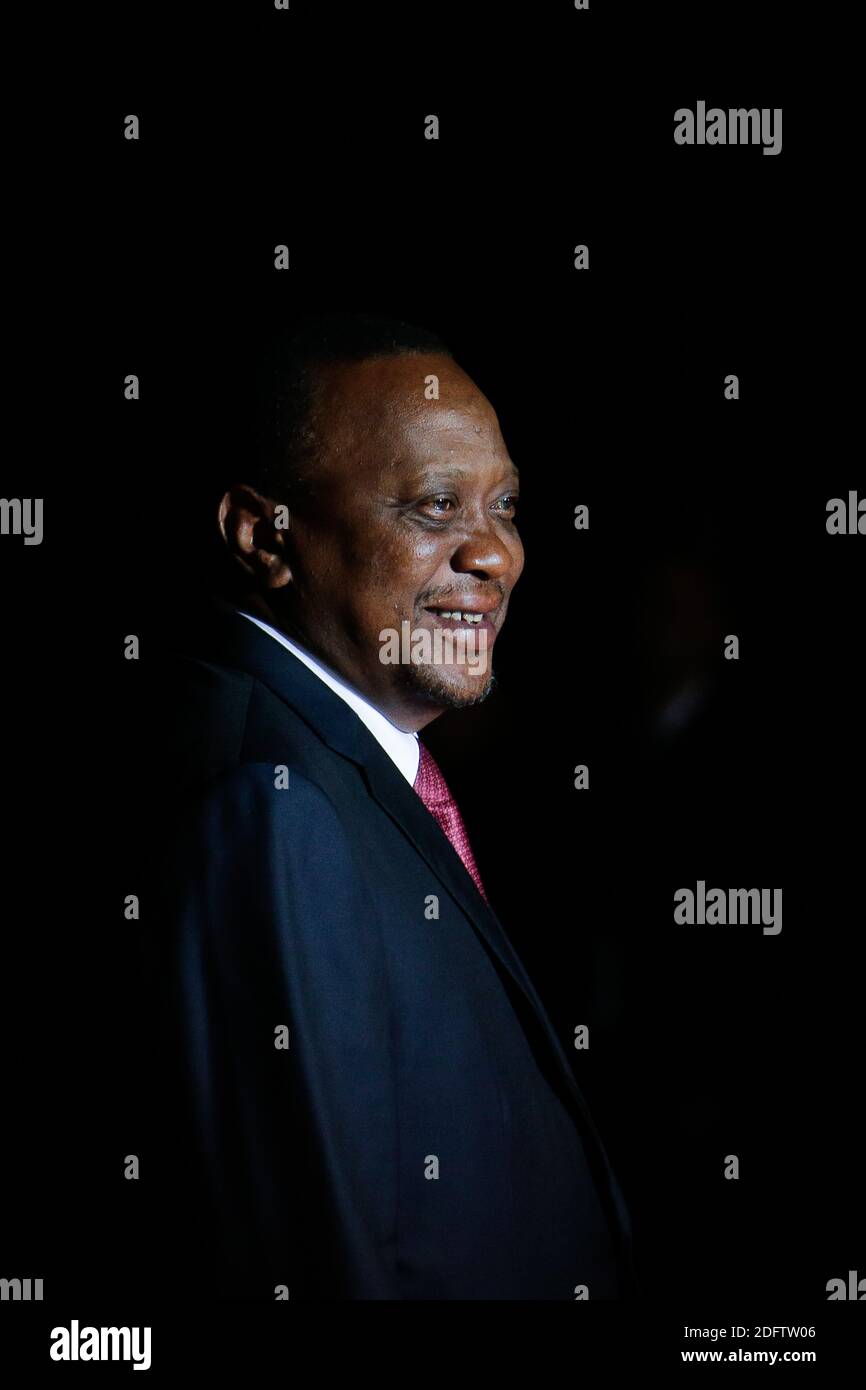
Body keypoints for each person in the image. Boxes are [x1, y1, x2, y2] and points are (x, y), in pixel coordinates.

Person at [133, 313, 636, 1300]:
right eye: (434, 506)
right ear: (260, 534)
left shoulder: (344, 768)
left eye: (504, 505)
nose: (494, 555)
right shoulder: (271, 804)